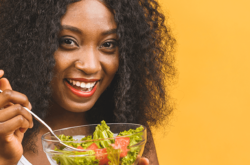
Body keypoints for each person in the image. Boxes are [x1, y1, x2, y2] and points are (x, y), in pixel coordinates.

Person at [0, 0, 175, 164]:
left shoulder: (126, 137)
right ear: (31, 45)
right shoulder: (5, 134)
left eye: (108, 44)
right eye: (68, 42)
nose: (90, 66)